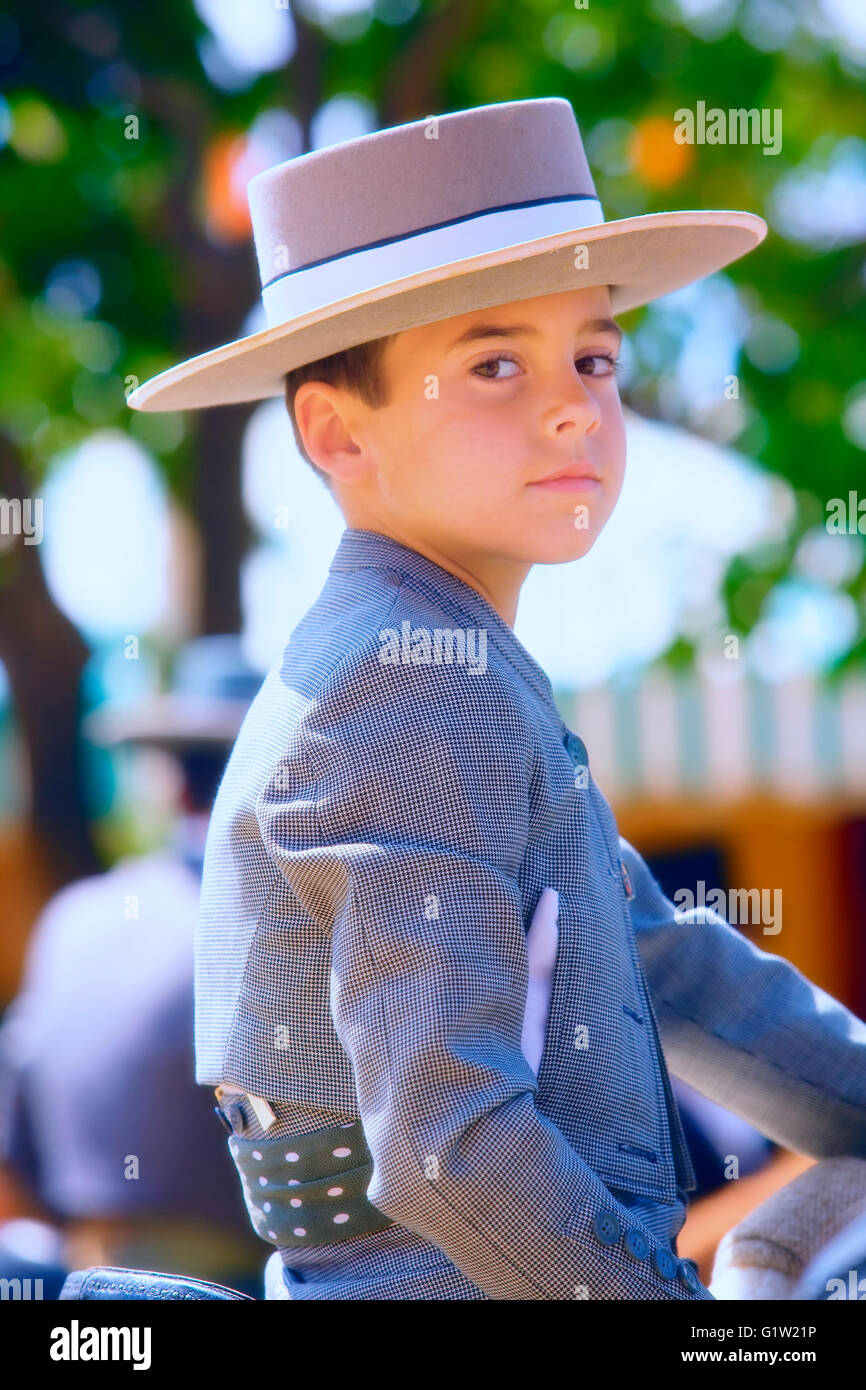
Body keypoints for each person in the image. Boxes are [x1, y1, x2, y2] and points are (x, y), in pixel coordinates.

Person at [127, 98, 866, 1300]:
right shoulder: (402, 683)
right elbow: (445, 1141)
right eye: (491, 363)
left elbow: (661, 960)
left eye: (592, 355)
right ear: (334, 432)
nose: (574, 402)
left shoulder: (446, 655)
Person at [0, 635, 267, 1298]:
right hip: (233, 1281)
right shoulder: (281, 931)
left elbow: (16, 1144)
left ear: (172, 783)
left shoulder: (75, 916)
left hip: (79, 1282)